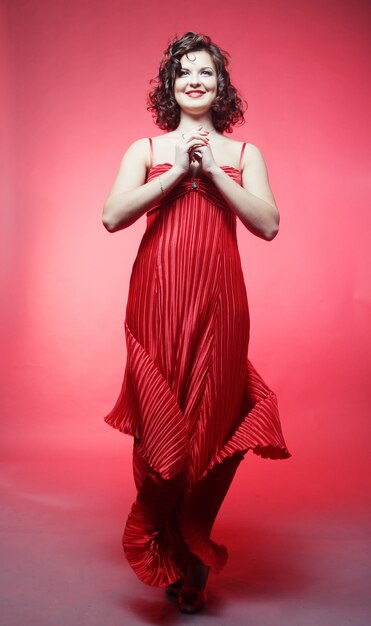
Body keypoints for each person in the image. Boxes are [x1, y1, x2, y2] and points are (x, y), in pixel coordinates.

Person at [102, 31, 292, 614]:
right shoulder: (145, 147)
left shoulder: (244, 155)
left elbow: (269, 225)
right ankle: (160, 545)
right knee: (156, 427)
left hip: (220, 306)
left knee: (211, 428)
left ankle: (194, 557)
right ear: (170, 85)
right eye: (183, 72)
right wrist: (174, 172)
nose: (194, 80)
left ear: (220, 86)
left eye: (206, 73)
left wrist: (212, 172)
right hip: (156, 301)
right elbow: (112, 217)